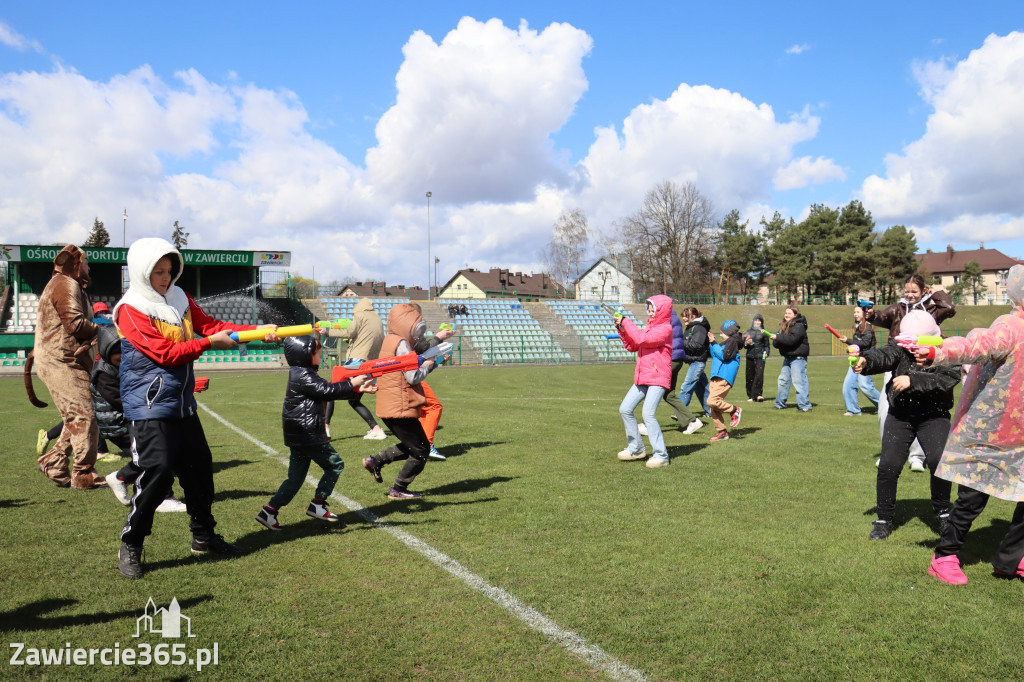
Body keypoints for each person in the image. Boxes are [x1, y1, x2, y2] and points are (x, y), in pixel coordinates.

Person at [114, 237, 279, 579]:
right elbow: (165, 354)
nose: (165, 277)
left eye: (169, 270)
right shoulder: (130, 309)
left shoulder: (181, 297)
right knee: (156, 473)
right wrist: (207, 344)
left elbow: (214, 328)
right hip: (149, 406)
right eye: (157, 271)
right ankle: (132, 543)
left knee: (200, 471)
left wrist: (256, 332)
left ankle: (204, 536)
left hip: (182, 403)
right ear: (141, 272)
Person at [921, 264, 1024, 584]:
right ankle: (944, 556)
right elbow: (978, 345)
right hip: (991, 434)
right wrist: (938, 350)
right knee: (973, 500)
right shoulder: (1010, 325)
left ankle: (1012, 559)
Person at [854, 310, 959, 541]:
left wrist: (914, 380)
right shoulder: (900, 347)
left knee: (938, 461)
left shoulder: (947, 350)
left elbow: (947, 378)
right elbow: (884, 355)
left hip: (935, 416)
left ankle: (942, 513)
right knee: (888, 466)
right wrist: (866, 361)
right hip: (900, 415)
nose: (913, 348)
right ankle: (883, 520)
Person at [256, 334, 369, 530]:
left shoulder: (302, 372)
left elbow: (325, 391)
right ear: (306, 354)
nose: (321, 353)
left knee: (295, 479)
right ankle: (319, 504)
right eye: (317, 351)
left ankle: (269, 511)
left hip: (300, 434)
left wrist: (358, 389)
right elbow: (326, 390)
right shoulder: (304, 374)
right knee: (335, 465)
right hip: (307, 434)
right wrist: (353, 383)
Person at [26, 244, 104, 489]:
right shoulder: (65, 283)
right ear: (75, 264)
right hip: (62, 360)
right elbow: (75, 324)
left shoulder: (63, 284)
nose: (89, 267)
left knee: (77, 416)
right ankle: (83, 473)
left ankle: (54, 461)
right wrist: (106, 332)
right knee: (84, 415)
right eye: (86, 263)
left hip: (64, 359)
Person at [866, 275, 956, 472]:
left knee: (921, 413)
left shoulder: (932, 310)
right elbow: (882, 317)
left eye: (914, 291)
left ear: (923, 291)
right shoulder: (898, 308)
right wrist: (872, 315)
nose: (910, 295)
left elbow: (949, 308)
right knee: (885, 410)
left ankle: (917, 456)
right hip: (898, 365)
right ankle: (888, 452)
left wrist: (936, 294)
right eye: (907, 291)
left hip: (924, 367)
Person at [361, 303, 449, 499]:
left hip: (391, 403)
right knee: (421, 450)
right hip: (399, 404)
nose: (418, 333)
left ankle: (375, 461)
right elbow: (413, 377)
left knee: (415, 444)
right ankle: (398, 488)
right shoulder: (401, 344)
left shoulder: (391, 339)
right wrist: (428, 364)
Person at [100, 321, 188, 514]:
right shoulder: (104, 373)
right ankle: (162, 497)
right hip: (119, 424)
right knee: (157, 457)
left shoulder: (127, 365)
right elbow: (120, 400)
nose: (122, 357)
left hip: (133, 417)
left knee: (152, 457)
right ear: (107, 350)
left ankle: (120, 478)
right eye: (118, 354)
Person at [613, 295, 673, 468]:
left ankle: (661, 455)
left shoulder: (665, 329)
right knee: (625, 409)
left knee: (648, 414)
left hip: (658, 377)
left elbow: (641, 339)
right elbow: (633, 345)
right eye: (649, 308)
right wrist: (622, 330)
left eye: (654, 308)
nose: (651, 311)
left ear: (662, 309)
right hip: (644, 377)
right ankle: (636, 448)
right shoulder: (649, 327)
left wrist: (626, 322)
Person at [325, 297, 387, 440]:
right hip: (371, 365)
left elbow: (350, 332)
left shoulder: (360, 315)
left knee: (329, 393)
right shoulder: (377, 318)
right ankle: (376, 429)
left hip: (357, 362)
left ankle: (325, 428)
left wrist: (327, 332)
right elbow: (367, 338)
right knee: (354, 400)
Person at [838, 306, 881, 416]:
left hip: (866, 360)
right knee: (848, 385)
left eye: (858, 312)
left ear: (864, 313)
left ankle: (886, 405)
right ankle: (853, 410)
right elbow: (857, 345)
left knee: (865, 386)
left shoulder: (868, 327)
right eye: (854, 312)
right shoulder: (857, 326)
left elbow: (865, 343)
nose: (855, 314)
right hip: (855, 359)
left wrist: (848, 340)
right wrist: (850, 347)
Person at [707, 320, 743, 442]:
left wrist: (715, 343)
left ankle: (734, 410)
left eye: (722, 332)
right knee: (713, 407)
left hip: (724, 377)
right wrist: (713, 343)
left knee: (712, 401)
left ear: (729, 332)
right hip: (716, 376)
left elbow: (724, 356)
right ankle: (722, 432)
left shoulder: (732, 342)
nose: (721, 334)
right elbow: (715, 355)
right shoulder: (725, 343)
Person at [770, 306, 811, 412]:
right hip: (788, 357)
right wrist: (776, 339)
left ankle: (805, 406)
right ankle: (780, 404)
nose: (786, 315)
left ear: (795, 315)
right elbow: (777, 343)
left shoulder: (799, 326)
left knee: (799, 381)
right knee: (783, 380)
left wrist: (778, 338)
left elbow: (792, 340)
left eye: (789, 313)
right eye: (785, 313)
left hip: (798, 358)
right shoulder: (783, 326)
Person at [679, 307, 711, 419]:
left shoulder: (699, 328)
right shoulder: (690, 327)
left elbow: (696, 345)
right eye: (683, 315)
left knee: (686, 386)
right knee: (703, 389)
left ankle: (680, 413)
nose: (684, 318)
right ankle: (712, 411)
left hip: (698, 362)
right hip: (693, 361)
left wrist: (680, 343)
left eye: (686, 316)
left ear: (693, 316)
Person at [743, 313, 769, 402]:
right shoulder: (747, 332)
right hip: (750, 356)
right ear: (753, 321)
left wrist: (767, 353)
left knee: (759, 375)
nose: (757, 322)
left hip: (760, 356)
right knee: (749, 376)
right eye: (756, 320)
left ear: (761, 322)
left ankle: (758, 395)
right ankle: (750, 395)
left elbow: (767, 345)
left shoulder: (764, 332)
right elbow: (745, 346)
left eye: (759, 321)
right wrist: (746, 343)